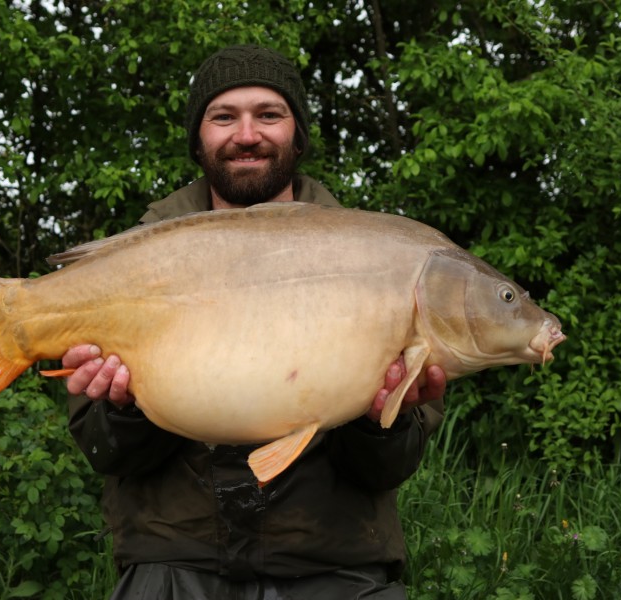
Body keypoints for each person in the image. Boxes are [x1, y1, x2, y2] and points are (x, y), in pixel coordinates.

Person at [64, 45, 446, 599]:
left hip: (333, 562)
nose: (247, 134)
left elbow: (386, 471)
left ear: (297, 133)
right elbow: (106, 454)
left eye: (269, 114)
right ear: (199, 139)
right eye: (224, 117)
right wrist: (122, 411)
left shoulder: (380, 259)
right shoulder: (135, 262)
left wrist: (375, 419)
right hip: (173, 560)